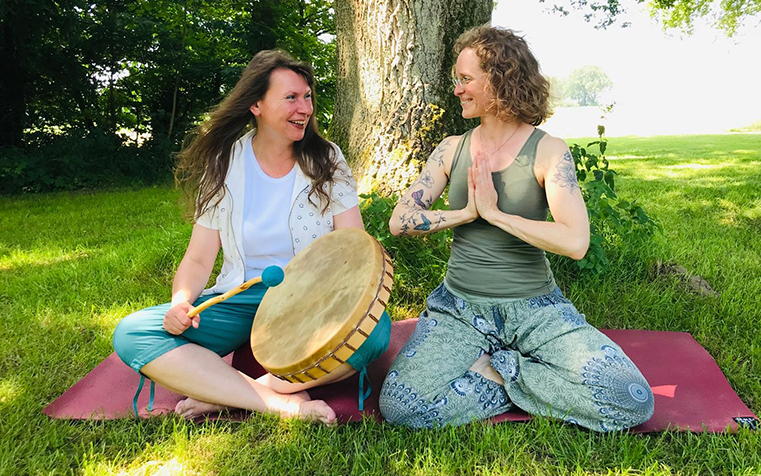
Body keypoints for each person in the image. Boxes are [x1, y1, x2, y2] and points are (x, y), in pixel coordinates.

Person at [378, 26, 654, 431]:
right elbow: (399, 221)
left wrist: (499, 216)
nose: (457, 89)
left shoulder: (547, 150)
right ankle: (523, 377)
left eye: (466, 79)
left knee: (630, 398)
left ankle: (500, 370)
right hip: (458, 309)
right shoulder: (451, 148)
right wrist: (466, 213)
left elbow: (575, 241)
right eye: (457, 79)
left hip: (536, 310)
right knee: (400, 408)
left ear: (500, 79)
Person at [113, 50, 390, 423]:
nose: (304, 108)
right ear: (256, 105)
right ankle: (279, 402)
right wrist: (181, 303)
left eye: (307, 96)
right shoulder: (224, 162)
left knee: (374, 334)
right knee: (134, 333)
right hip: (243, 295)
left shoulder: (327, 158)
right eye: (290, 97)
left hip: (310, 299)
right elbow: (198, 257)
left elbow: (352, 247)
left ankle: (230, 393)